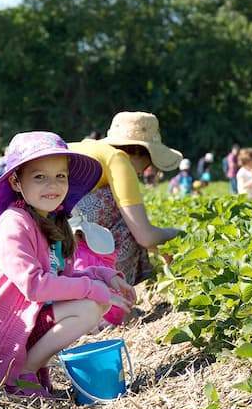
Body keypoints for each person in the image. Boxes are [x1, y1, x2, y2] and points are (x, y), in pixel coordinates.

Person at [0, 131, 132, 398]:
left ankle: (30, 370)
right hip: (10, 329)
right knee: (90, 306)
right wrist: (93, 290)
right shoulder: (14, 223)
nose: (53, 185)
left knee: (91, 301)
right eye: (39, 177)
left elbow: (62, 278)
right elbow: (35, 286)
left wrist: (103, 276)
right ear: (16, 181)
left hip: (33, 319)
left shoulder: (54, 222)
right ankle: (24, 373)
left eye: (60, 176)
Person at [71, 112, 184, 285]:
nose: (142, 172)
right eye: (148, 164)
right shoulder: (117, 159)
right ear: (140, 152)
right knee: (130, 223)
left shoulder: (84, 149)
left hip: (36, 243)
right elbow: (145, 237)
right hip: (64, 239)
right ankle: (113, 290)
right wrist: (177, 235)